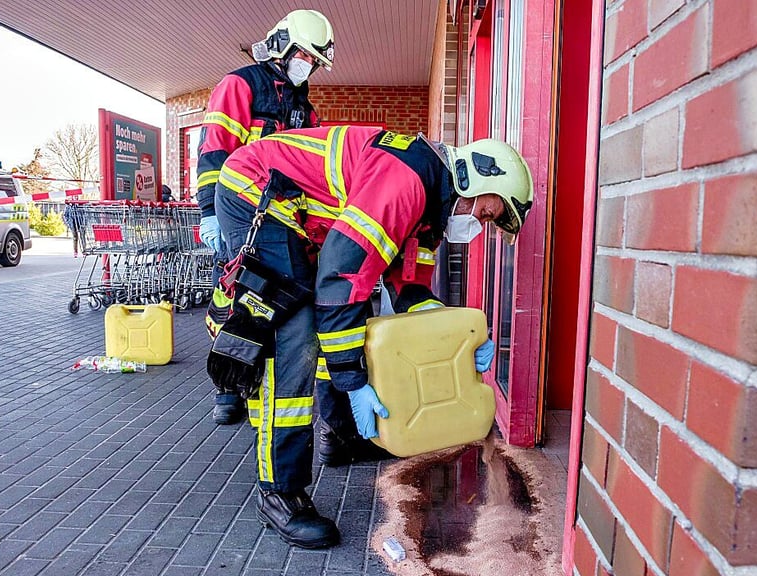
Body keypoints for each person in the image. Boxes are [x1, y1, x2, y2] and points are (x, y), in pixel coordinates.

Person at [207, 126, 533, 548]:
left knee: (344, 321)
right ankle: (279, 492)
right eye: (487, 214)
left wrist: (455, 341)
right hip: (254, 191)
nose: (480, 226)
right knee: (296, 336)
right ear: (473, 178)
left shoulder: (428, 213)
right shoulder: (405, 183)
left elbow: (410, 291)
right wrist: (354, 382)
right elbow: (341, 280)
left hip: (294, 210)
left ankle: (341, 436)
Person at [196, 9, 333, 427]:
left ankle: (254, 375)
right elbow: (215, 150)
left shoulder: (303, 108)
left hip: (281, 218)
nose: (306, 67)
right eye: (304, 56)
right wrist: (210, 213)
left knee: (275, 298)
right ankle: (227, 384)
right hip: (237, 209)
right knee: (239, 292)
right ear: (281, 46)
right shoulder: (240, 86)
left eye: (313, 62)